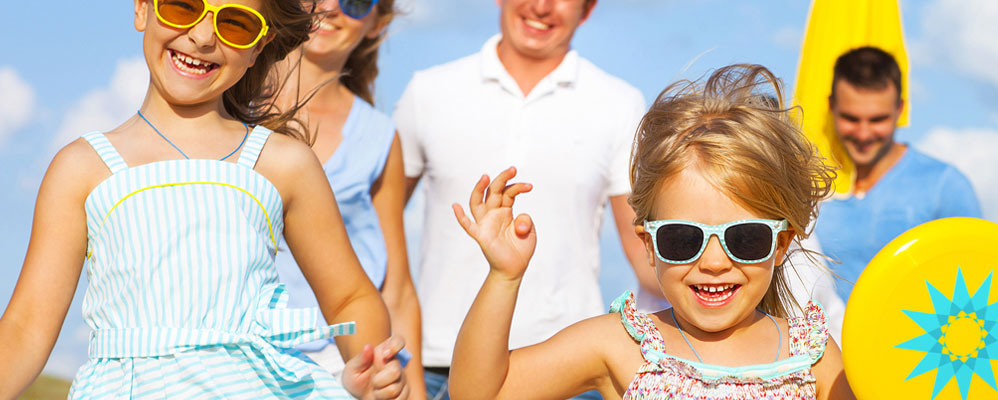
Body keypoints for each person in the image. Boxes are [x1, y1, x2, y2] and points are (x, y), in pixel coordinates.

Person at [445, 64, 998, 400]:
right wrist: (503, 276)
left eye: (745, 239)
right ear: (648, 237)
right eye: (684, 238)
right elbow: (479, 394)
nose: (713, 261)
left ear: (783, 243)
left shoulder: (812, 356)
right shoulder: (622, 344)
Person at [0, 0, 406, 398]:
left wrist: (370, 368)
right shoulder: (81, 167)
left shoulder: (282, 163)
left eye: (236, 24)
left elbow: (350, 296)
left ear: (258, 48)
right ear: (142, 9)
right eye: (182, 7)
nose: (202, 36)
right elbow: (26, 327)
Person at [392, 0, 656, 396]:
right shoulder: (427, 91)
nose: (541, 6)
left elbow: (645, 249)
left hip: (569, 370)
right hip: (433, 363)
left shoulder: (621, 103)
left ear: (587, 10)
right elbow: (376, 226)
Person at [270, 0, 425, 395]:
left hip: (348, 365)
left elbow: (398, 289)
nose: (330, 7)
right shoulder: (230, 106)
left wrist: (418, 391)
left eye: (355, 1)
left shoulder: (379, 136)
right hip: (247, 357)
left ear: (377, 22)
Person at [811, 46, 981, 302]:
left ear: (900, 109)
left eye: (878, 119)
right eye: (851, 118)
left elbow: (974, 282)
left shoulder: (944, 186)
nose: (864, 134)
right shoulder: (809, 188)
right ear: (831, 106)